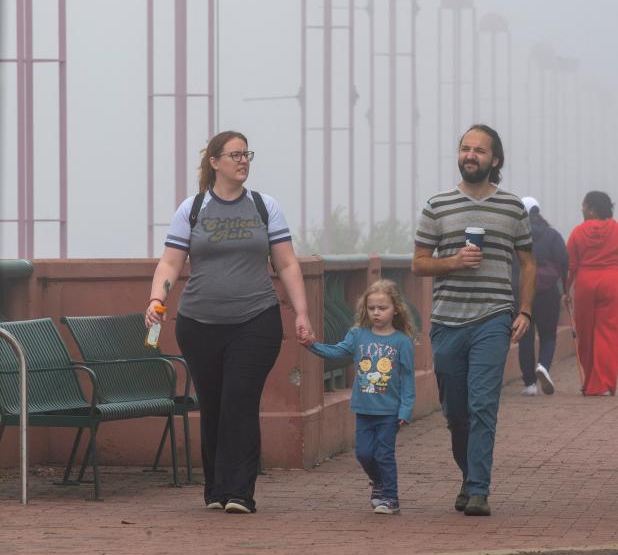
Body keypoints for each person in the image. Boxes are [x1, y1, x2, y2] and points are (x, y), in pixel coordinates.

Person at [145, 130, 314, 514]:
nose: (243, 161)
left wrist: (301, 312)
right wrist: (157, 298)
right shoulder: (193, 208)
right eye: (235, 155)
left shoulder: (263, 206)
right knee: (214, 404)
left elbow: (286, 262)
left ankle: (240, 492)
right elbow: (170, 262)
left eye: (247, 154)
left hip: (256, 319)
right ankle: (216, 489)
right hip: (198, 322)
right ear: (215, 162)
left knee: (240, 397)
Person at [412, 124, 534, 517]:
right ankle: (469, 475)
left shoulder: (512, 208)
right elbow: (417, 263)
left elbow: (528, 263)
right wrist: (453, 262)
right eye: (465, 148)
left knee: (483, 406)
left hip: (493, 318)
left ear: (495, 160)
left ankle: (479, 488)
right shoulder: (437, 205)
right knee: (456, 413)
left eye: (479, 151)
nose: (470, 155)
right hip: (447, 320)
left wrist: (525, 310)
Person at [301, 280, 415, 515]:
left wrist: (405, 410)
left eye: (382, 308)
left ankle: (391, 498)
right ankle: (379, 482)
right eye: (372, 307)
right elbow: (337, 351)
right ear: (365, 309)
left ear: (395, 309)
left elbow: (407, 379)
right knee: (363, 453)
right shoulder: (357, 335)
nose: (376, 312)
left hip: (389, 412)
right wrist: (312, 345)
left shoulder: (402, 342)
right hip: (364, 409)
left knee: (384, 454)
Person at [565, 191, 618, 396]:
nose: (582, 210)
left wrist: (565, 289)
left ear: (592, 209)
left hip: (586, 283)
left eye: (584, 207)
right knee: (609, 335)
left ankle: (590, 381)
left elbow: (570, 265)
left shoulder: (578, 232)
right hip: (613, 280)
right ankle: (603, 383)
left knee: (586, 334)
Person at [513, 197, 568, 396]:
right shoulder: (553, 235)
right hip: (548, 293)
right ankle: (543, 366)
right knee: (548, 336)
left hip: (522, 293)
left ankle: (529, 384)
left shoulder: (515, 235)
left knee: (524, 338)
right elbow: (564, 262)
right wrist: (566, 291)